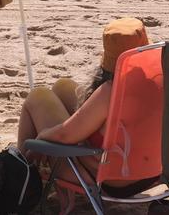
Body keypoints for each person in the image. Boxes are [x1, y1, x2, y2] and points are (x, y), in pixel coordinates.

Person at [17, 18, 149, 194]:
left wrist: (40, 138)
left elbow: (64, 135)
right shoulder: (162, 85)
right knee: (63, 86)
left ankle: (21, 177)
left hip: (110, 179)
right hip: (152, 173)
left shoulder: (111, 93)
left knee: (37, 97)